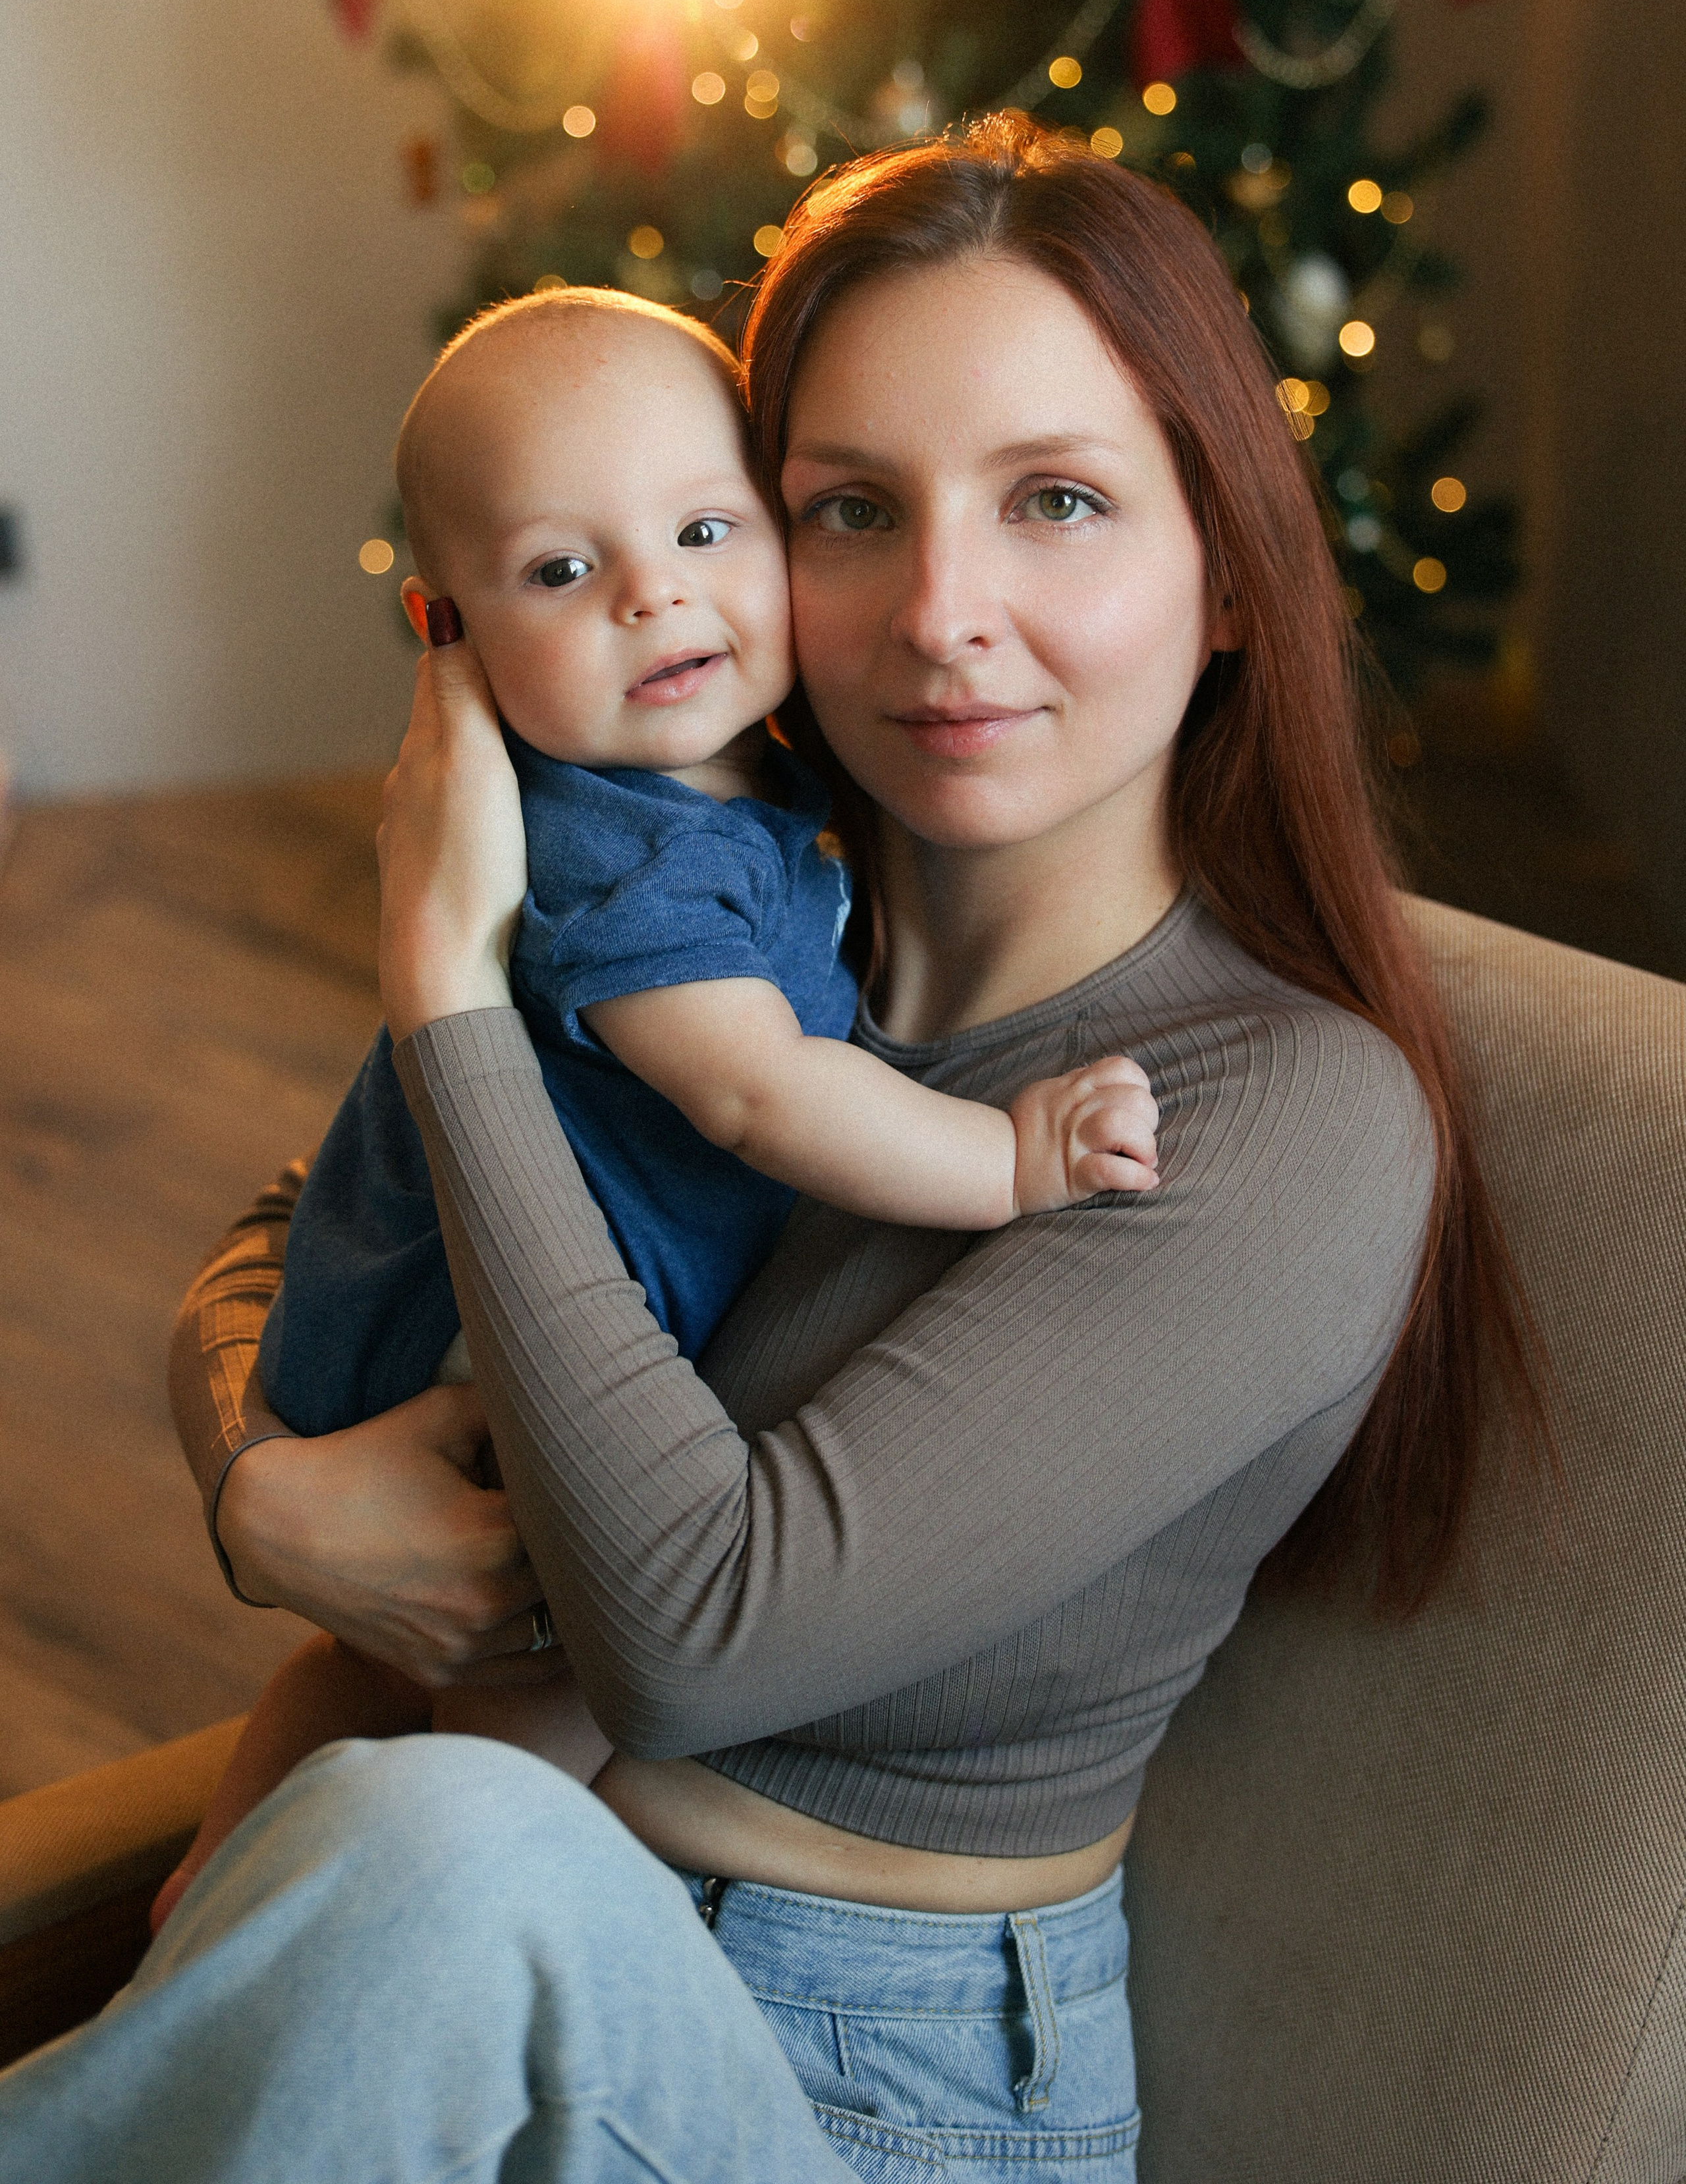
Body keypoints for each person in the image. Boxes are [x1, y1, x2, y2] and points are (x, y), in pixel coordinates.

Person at [0, 116, 1544, 2183]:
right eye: (847, 510)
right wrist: (261, 1488)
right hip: (440, 1965)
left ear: (1233, 572)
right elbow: (309, 1234)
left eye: (1059, 502)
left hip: (854, 2083)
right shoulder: (750, 897)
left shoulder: (1279, 1121)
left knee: (447, 1841)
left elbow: (690, 1635)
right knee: (425, 1850)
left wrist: (449, 982)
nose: (940, 612)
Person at [157, 282, 1157, 1927]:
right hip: (491, 1343)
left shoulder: (741, 779)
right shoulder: (621, 860)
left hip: (425, 1294)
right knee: (543, 1675)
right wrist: (1011, 1153)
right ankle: (397, 1909)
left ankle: (224, 1871)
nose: (653, 598)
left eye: (706, 528)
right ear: (448, 632)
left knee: (359, 1668)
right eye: (563, 570)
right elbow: (761, 1095)